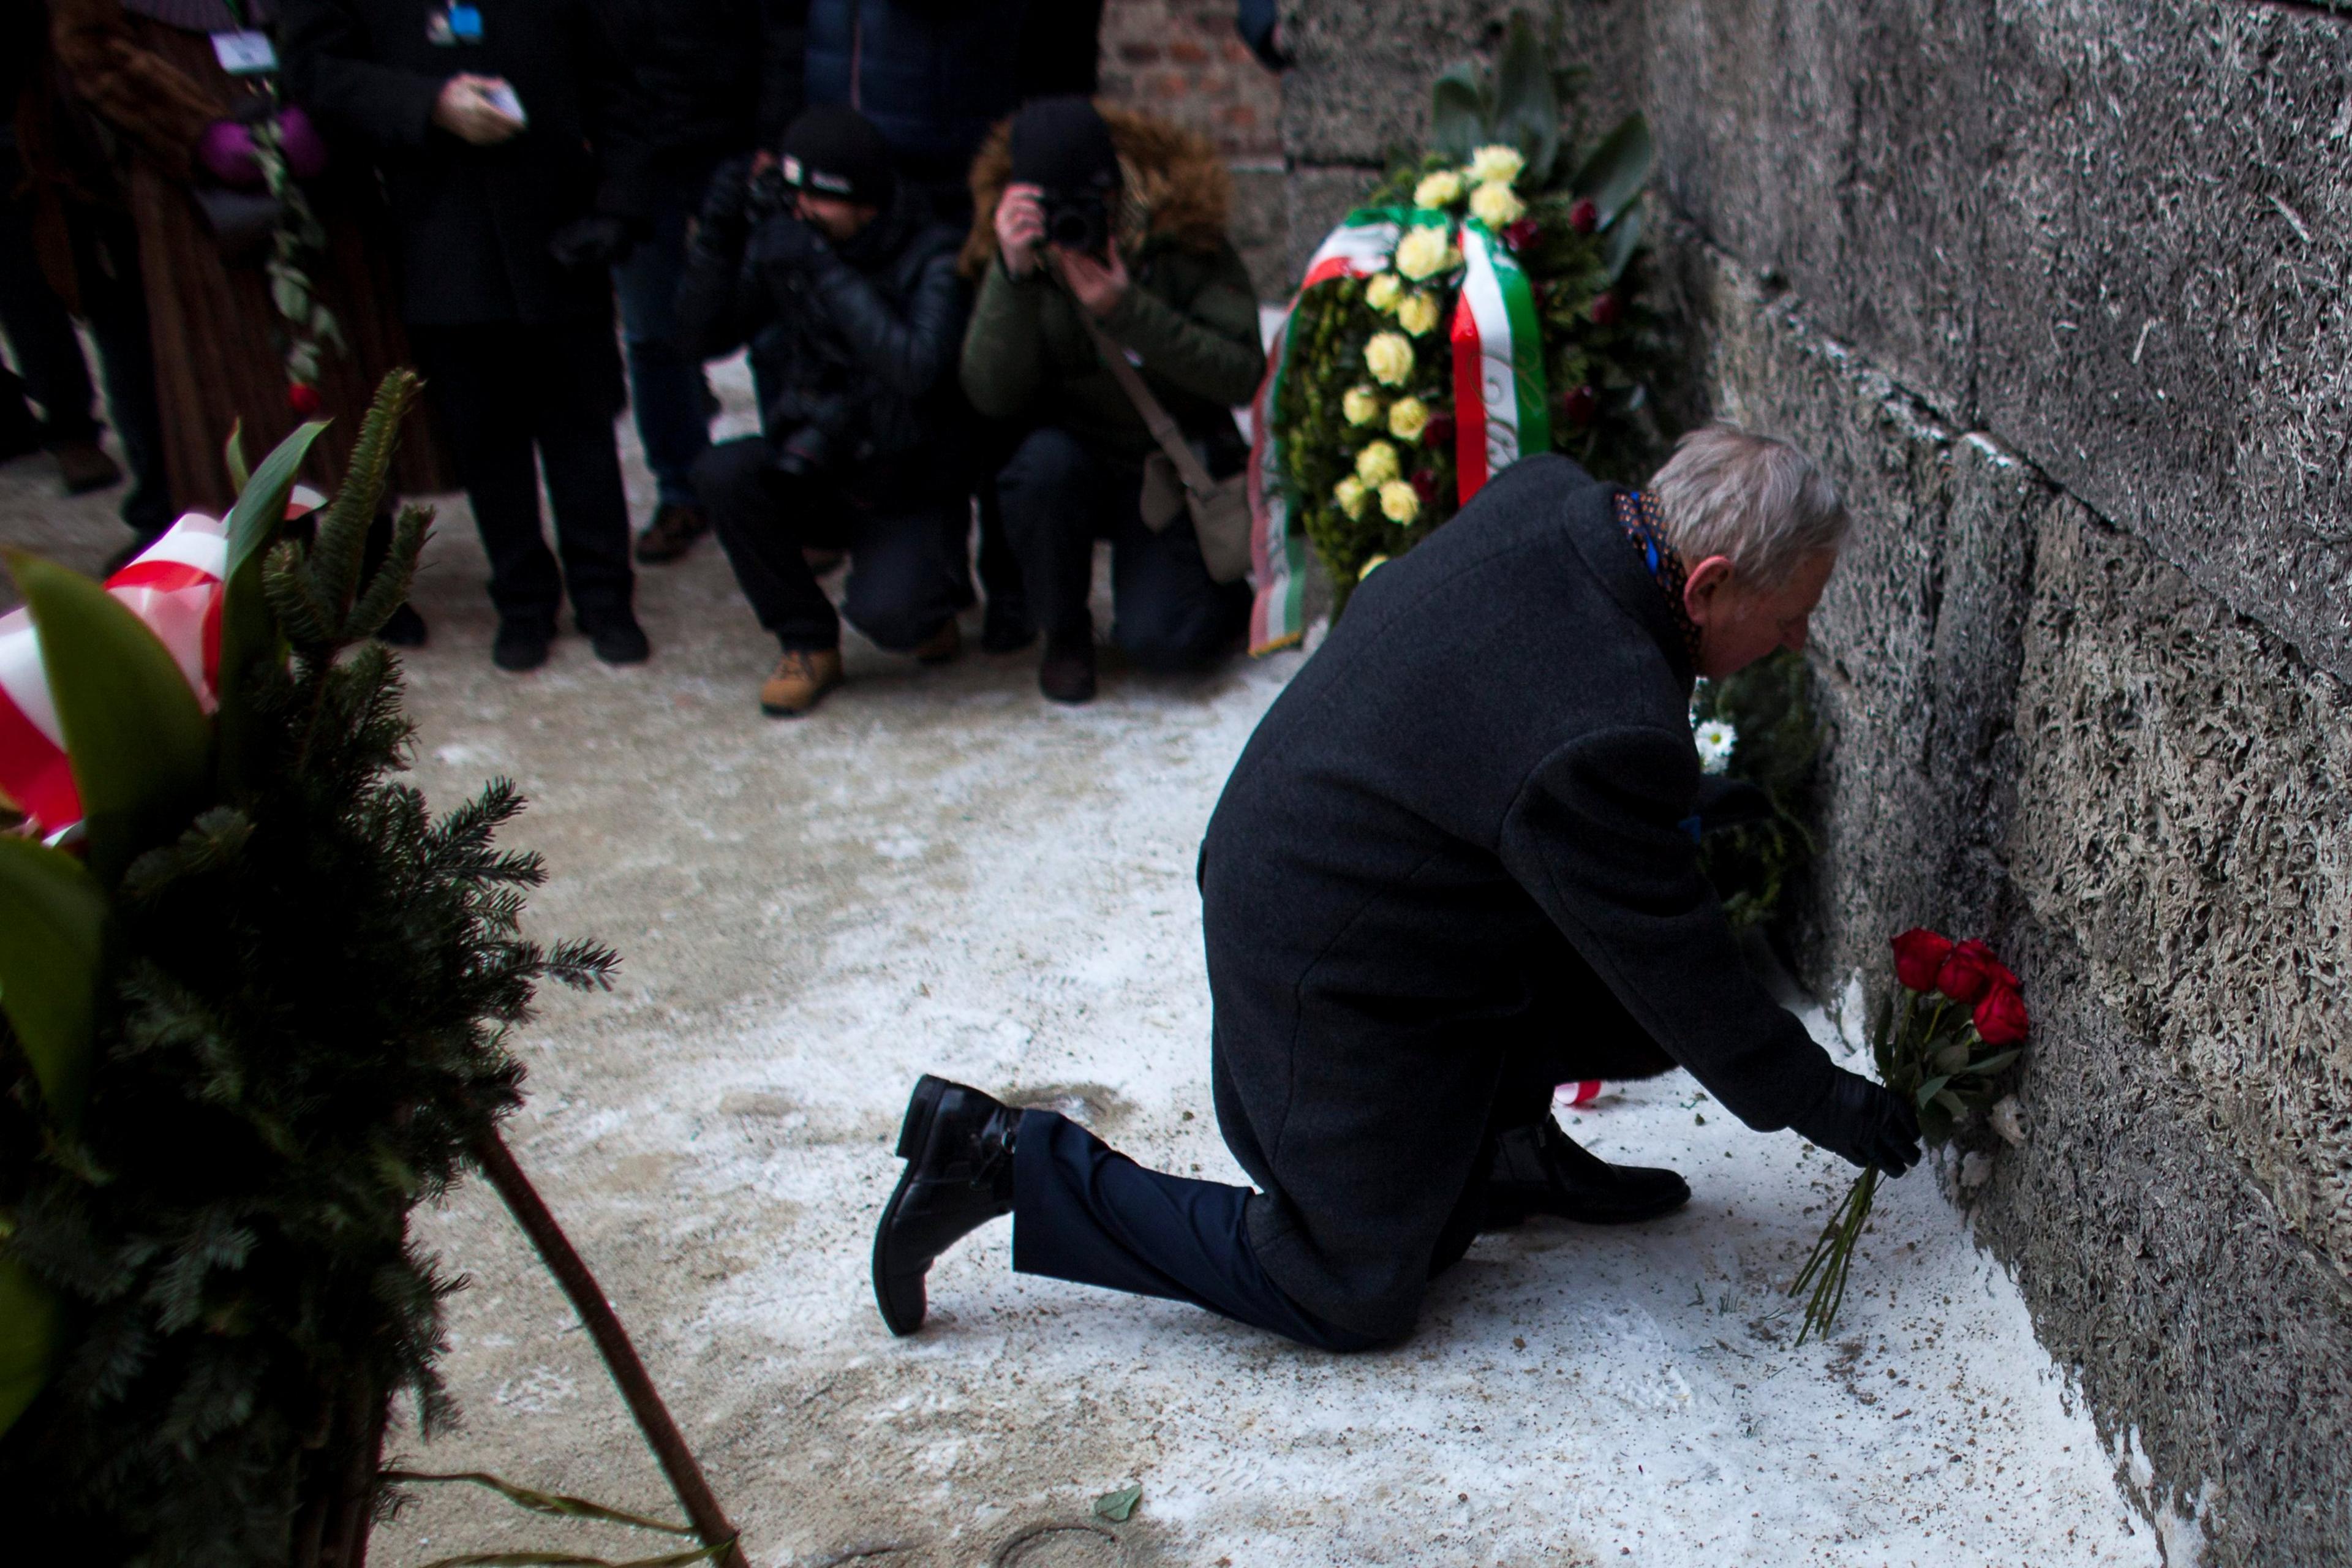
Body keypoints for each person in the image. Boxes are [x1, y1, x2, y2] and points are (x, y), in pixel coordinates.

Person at [870, 428, 1925, 1350]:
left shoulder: (1561, 501)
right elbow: (1678, 963)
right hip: (1316, 966)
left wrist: (1680, 797)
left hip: (1361, 886)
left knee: (1619, 1006)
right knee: (1346, 1290)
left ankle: (1503, 1153)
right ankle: (1004, 1162)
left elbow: (1494, 717)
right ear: (1706, 586)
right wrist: (1824, 1101)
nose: (1794, 643)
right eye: (1789, 618)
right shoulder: (1602, 720)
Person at [47, 0, 445, 631]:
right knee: (238, 382)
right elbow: (92, 49)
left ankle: (364, 572)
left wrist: (330, 108)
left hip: (322, 165)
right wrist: (199, 133)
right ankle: (277, 579)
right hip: (196, 192)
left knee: (348, 369)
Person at [282, 0, 652, 672]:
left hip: (557, 228)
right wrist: (427, 104)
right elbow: (316, 73)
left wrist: (620, 207)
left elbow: (616, 88)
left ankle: (606, 597)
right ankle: (522, 599)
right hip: (440, 236)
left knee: (582, 428)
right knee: (487, 440)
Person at [801, 0, 1108, 655]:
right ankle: (930, 574)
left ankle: (1013, 584)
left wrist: (1039, 157)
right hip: (862, 172)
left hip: (975, 152)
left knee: (1002, 380)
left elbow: (1060, 38)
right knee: (913, 385)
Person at [960, 97, 1262, 703]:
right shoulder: (1018, 253)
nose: (1074, 218)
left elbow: (1242, 375)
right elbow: (991, 394)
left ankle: (1215, 596)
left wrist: (1131, 312)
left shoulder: (1180, 236)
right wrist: (1012, 277)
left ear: (1115, 186)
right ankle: (1064, 632)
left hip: (1167, 467)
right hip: (1075, 468)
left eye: (1088, 201)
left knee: (1167, 646)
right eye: (1053, 205)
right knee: (1040, 468)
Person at [680, 105, 970, 717]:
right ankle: (806, 641)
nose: (802, 212)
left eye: (818, 198)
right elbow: (702, 338)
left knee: (897, 620)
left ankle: (930, 604)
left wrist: (823, 269)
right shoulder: (794, 244)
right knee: (723, 475)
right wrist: (720, 233)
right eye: (795, 196)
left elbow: (916, 366)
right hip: (817, 455)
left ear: (862, 199)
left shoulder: (933, 253)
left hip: (905, 473)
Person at [597, 0, 804, 567]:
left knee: (773, 325)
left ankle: (794, 486)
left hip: (741, 138)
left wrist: (776, 132)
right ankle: (682, 490)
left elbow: (784, 31)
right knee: (652, 333)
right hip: (641, 147)